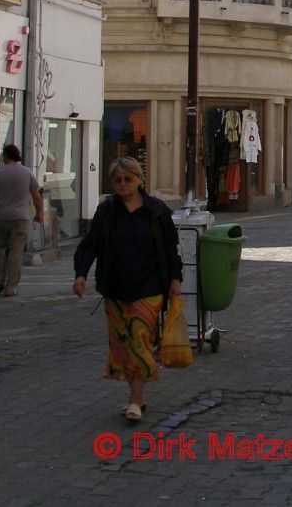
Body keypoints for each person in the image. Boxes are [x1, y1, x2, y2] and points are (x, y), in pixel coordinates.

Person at [72, 157, 183, 423]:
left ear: (139, 180)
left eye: (127, 179)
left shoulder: (156, 211)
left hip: (149, 287)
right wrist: (81, 274)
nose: (122, 184)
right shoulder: (107, 211)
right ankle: (139, 396)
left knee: (139, 339)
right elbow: (92, 243)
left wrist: (175, 279)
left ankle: (134, 400)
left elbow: (170, 247)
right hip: (115, 287)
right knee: (123, 345)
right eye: (117, 180)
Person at [0, 143, 43, 297]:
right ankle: (11, 287)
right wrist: (39, 213)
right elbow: (36, 195)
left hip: (1, 217)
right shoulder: (27, 173)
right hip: (21, 218)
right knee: (16, 252)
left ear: (6, 156)